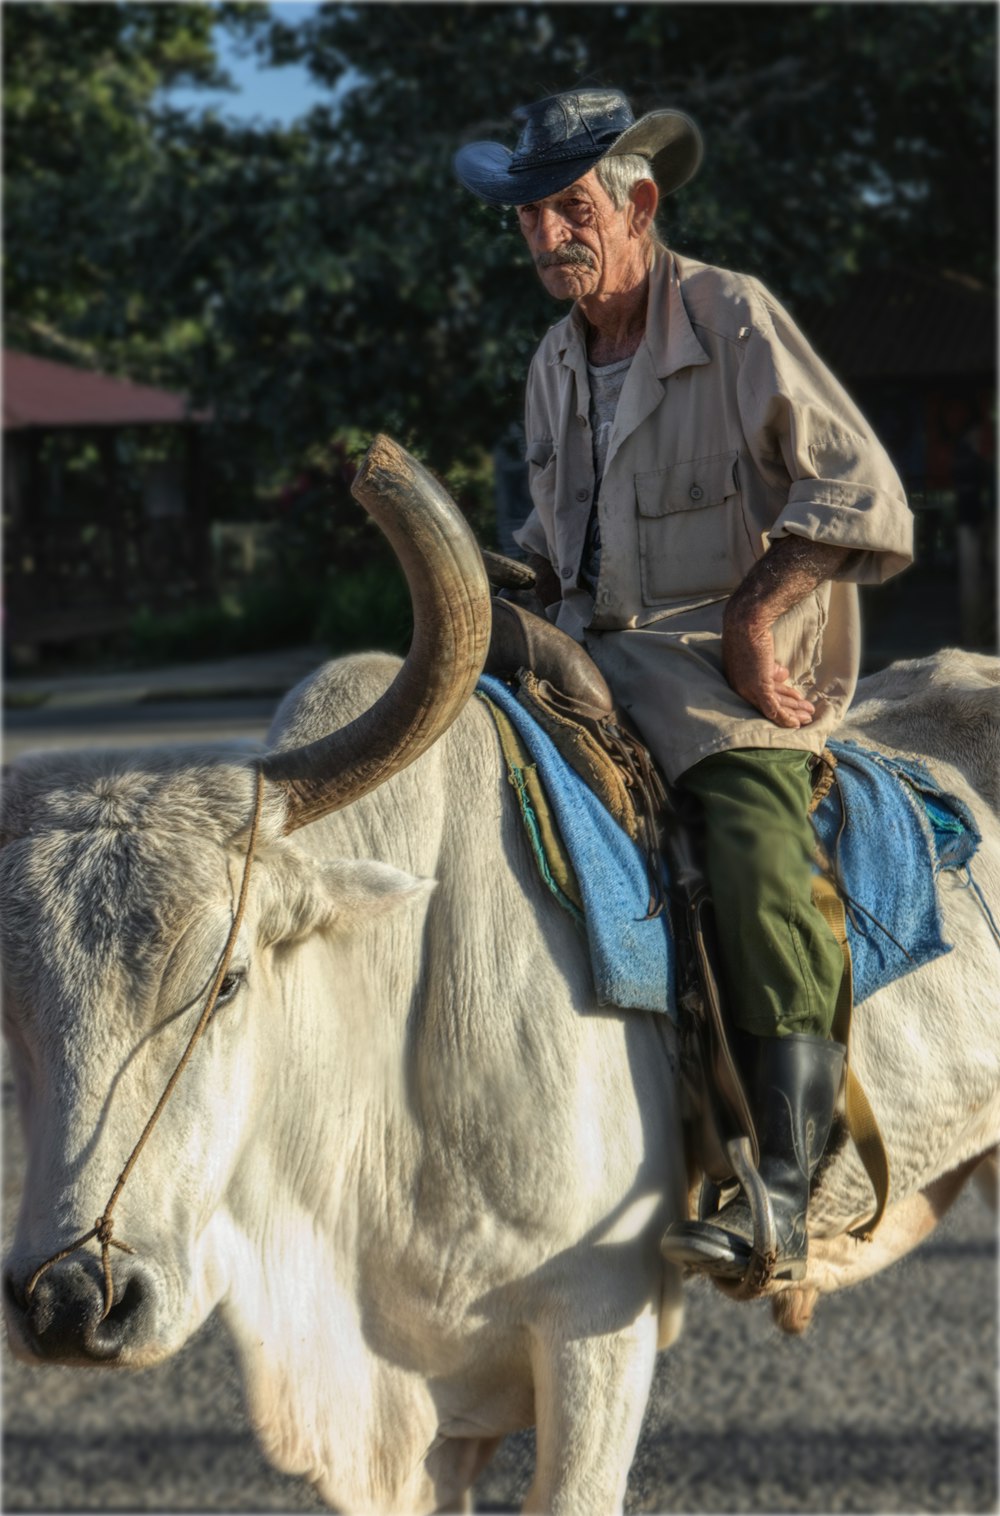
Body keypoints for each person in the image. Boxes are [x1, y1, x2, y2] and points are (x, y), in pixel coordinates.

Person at [453, 87, 914, 1285]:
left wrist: (762, 613)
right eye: (529, 215)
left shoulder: (730, 315)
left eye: (571, 207)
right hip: (582, 659)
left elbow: (860, 494)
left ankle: (780, 1181)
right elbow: (563, 550)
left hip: (712, 672)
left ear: (637, 202)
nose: (548, 236)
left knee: (756, 853)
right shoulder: (554, 362)